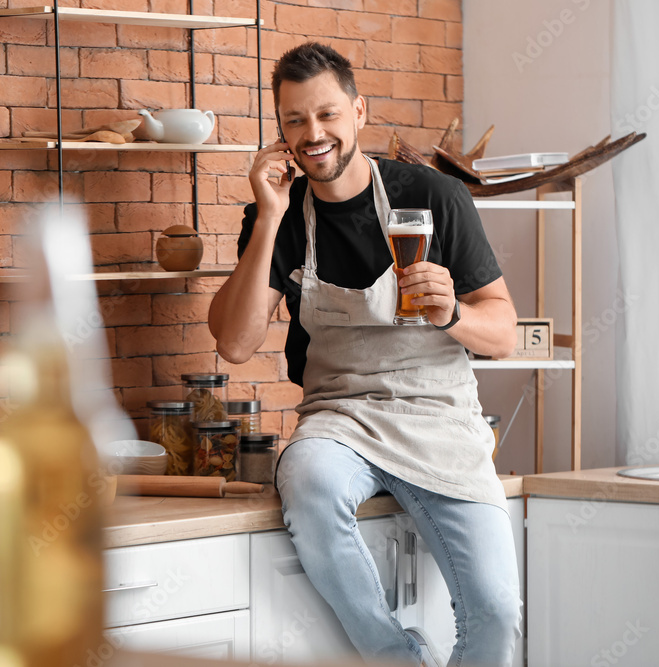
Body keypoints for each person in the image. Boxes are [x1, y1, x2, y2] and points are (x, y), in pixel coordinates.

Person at [208, 42, 522, 667]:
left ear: (357, 111)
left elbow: (504, 331)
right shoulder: (279, 216)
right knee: (308, 480)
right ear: (280, 132)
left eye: (326, 115)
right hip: (341, 418)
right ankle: (399, 659)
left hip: (440, 420)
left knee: (496, 612)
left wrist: (453, 312)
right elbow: (235, 343)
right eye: (294, 121)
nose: (312, 134)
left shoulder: (436, 196)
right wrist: (268, 218)